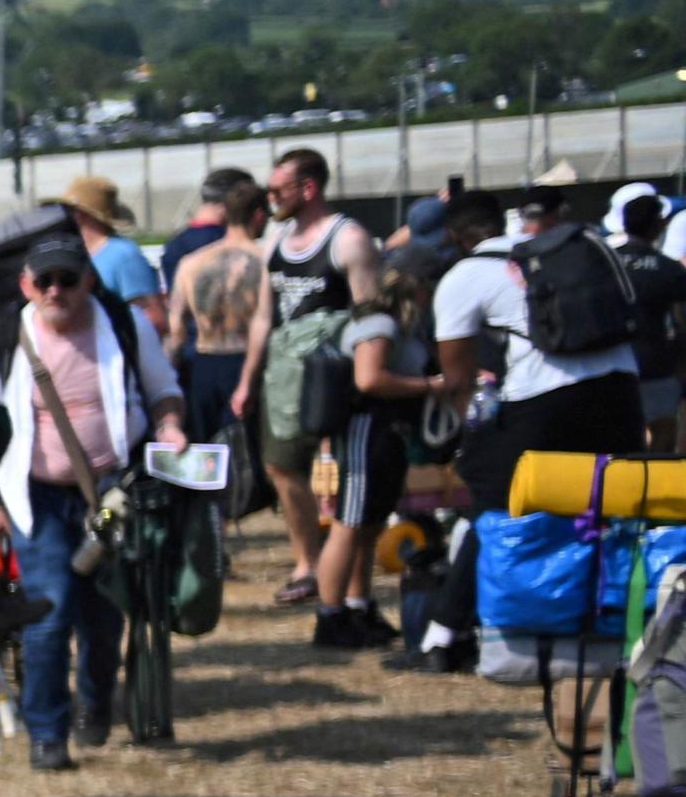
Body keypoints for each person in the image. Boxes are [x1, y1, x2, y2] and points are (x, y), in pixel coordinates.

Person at [415, 182, 650, 666]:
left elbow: (457, 378)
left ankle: (445, 634)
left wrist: (471, 435)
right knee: (615, 506)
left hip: (544, 399)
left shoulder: (466, 274)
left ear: (456, 237)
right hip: (621, 389)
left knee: (493, 502)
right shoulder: (554, 254)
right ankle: (621, 622)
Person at [0, 232, 190, 770]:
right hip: (37, 495)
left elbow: (163, 389)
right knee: (49, 610)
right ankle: (47, 734)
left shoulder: (124, 327)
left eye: (68, 279)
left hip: (114, 493)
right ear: (25, 285)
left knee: (104, 616)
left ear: (90, 281)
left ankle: (95, 702)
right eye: (44, 280)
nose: (56, 291)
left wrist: (170, 426)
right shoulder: (7, 334)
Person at [246, 148, 381, 608]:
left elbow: (371, 314)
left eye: (277, 190)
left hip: (335, 376)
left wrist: (368, 378)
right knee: (280, 466)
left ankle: (352, 588)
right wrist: (248, 381)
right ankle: (306, 562)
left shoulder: (348, 239)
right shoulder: (277, 242)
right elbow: (265, 317)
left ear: (309, 188)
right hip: (284, 378)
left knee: (348, 477)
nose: (270, 198)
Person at [309, 256, 436, 650]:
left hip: (384, 432)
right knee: (350, 523)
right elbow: (369, 378)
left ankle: (357, 605)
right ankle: (330, 616)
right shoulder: (379, 325)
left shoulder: (395, 326)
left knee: (367, 525)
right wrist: (431, 385)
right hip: (366, 429)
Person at [168, 177, 268, 453]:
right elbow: (266, 321)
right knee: (249, 453)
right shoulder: (265, 260)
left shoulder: (190, 264)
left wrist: (169, 381)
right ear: (259, 216)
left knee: (204, 453)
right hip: (248, 362)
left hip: (203, 364)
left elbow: (176, 331)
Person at [611, 190, 686, 447]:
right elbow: (679, 320)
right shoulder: (668, 268)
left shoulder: (606, 262)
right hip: (656, 362)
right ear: (657, 225)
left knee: (623, 432)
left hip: (614, 362)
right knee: (663, 429)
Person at [66, 176, 169, 340]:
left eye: (67, 211)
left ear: (79, 215)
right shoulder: (75, 253)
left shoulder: (124, 255)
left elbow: (154, 319)